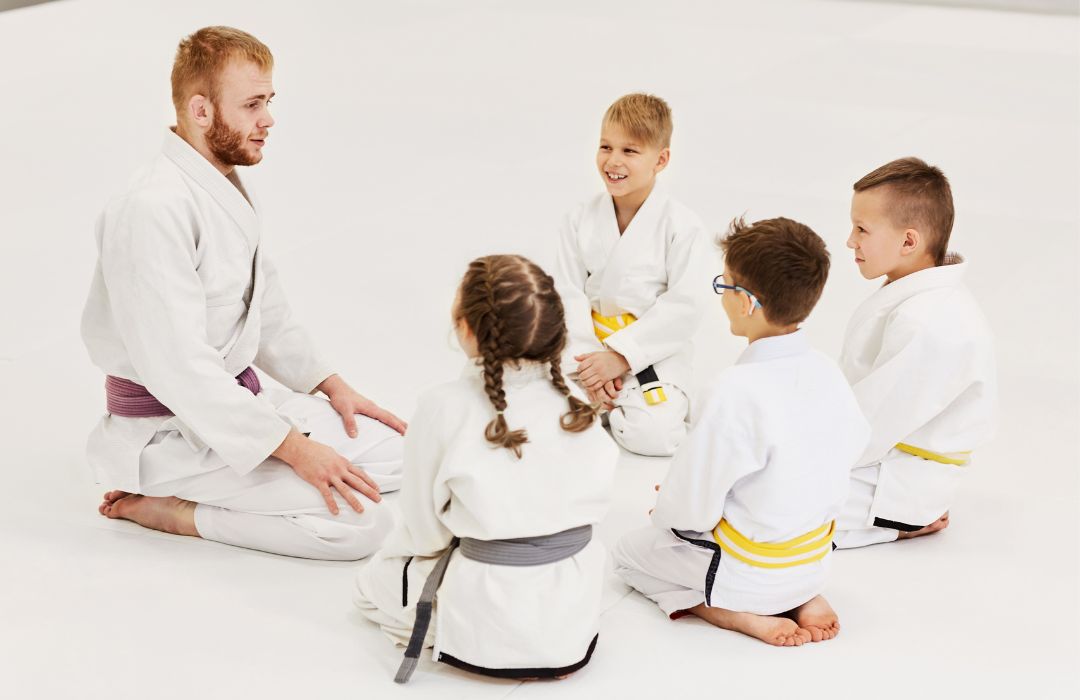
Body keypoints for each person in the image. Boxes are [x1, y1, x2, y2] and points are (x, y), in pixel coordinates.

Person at [82, 26, 405, 560]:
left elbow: (266, 310)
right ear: (201, 110)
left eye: (269, 101)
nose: (269, 119)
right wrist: (298, 451)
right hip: (170, 431)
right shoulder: (150, 209)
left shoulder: (217, 184)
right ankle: (176, 510)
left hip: (237, 407)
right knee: (359, 524)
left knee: (406, 455)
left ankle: (258, 472)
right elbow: (179, 368)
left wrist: (332, 386)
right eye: (253, 104)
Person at [354, 255, 617, 682]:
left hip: (490, 605)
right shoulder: (576, 399)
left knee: (371, 585)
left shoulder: (443, 406)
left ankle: (467, 640)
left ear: (466, 329)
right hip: (574, 601)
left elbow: (424, 532)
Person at [613, 217, 869, 646]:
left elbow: (689, 511)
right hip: (813, 559)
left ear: (747, 302)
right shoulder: (827, 371)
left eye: (725, 285)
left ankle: (726, 611)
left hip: (746, 571)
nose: (723, 296)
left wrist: (666, 512)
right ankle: (802, 595)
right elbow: (849, 448)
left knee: (627, 555)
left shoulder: (733, 388)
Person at [834, 157, 997, 549]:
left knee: (759, 509)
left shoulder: (928, 321)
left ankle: (897, 524)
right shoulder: (915, 296)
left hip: (895, 481)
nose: (850, 241)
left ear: (909, 241)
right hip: (881, 461)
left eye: (861, 229)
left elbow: (871, 427)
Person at [553, 93, 711, 457]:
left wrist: (622, 357)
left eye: (630, 151)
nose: (613, 161)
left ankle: (628, 405)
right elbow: (567, 292)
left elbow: (685, 306)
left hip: (650, 352)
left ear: (661, 159)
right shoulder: (579, 219)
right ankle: (601, 399)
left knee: (654, 437)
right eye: (605, 147)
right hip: (586, 350)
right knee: (553, 420)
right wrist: (592, 364)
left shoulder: (681, 226)